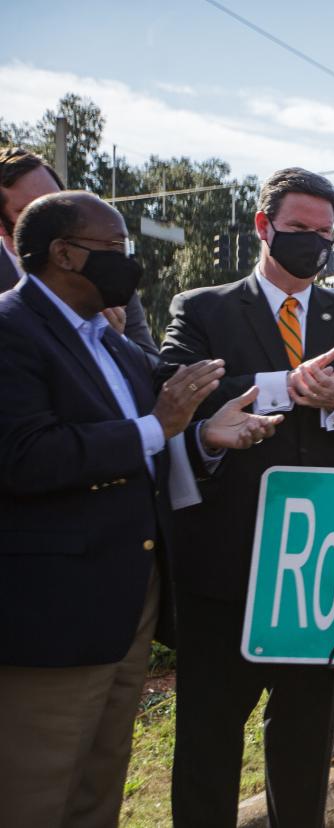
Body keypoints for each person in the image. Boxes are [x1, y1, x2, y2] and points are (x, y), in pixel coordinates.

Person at [0, 191, 279, 827]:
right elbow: (25, 455)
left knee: (99, 786)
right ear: (64, 253)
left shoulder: (115, 344)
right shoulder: (12, 330)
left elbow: (165, 424)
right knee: (35, 790)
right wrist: (161, 426)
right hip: (55, 613)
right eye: (114, 249)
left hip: (130, 605)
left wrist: (208, 436)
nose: (130, 264)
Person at [159, 167, 334, 827]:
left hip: (316, 568)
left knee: (302, 742)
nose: (315, 244)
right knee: (209, 738)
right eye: (300, 230)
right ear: (264, 227)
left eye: (325, 234)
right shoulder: (203, 307)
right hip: (222, 561)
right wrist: (283, 386)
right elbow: (176, 386)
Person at [1, 146, 159, 356]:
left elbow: (153, 365)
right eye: (28, 211)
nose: (49, 220)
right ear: (2, 226)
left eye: (56, 203)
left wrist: (114, 341)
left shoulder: (107, 274)